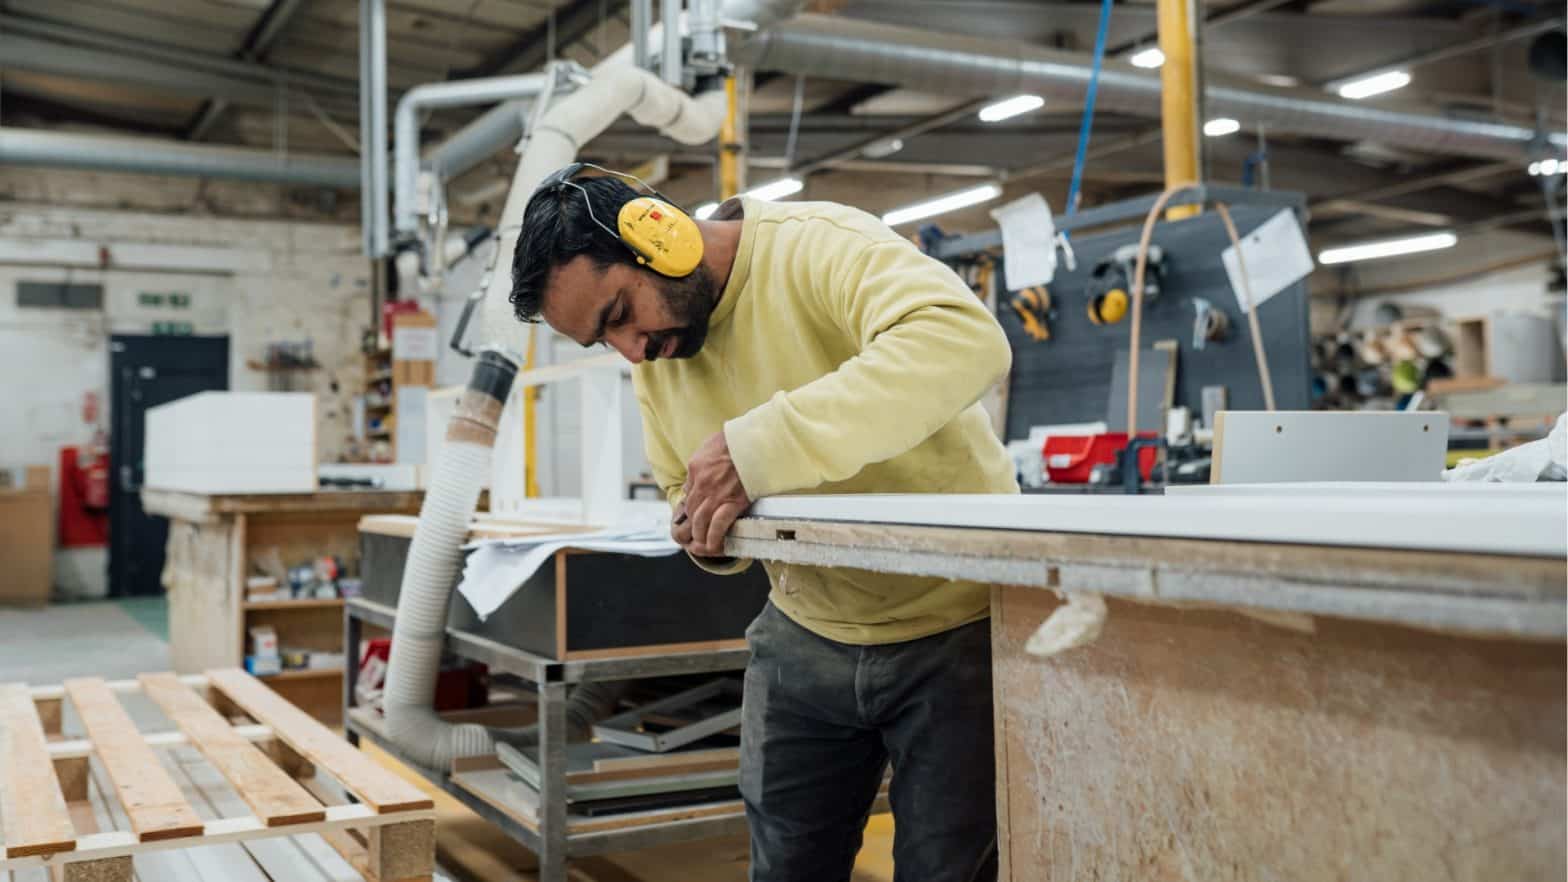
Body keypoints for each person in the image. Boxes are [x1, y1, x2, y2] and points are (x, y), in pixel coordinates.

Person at [509, 163, 1018, 882]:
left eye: (621, 313)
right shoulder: (660, 355)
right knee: (784, 866)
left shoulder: (816, 248)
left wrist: (759, 450)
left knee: (946, 868)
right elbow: (678, 483)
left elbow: (965, 340)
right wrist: (708, 531)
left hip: (954, 629)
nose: (631, 350)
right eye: (603, 340)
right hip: (805, 626)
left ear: (660, 236)